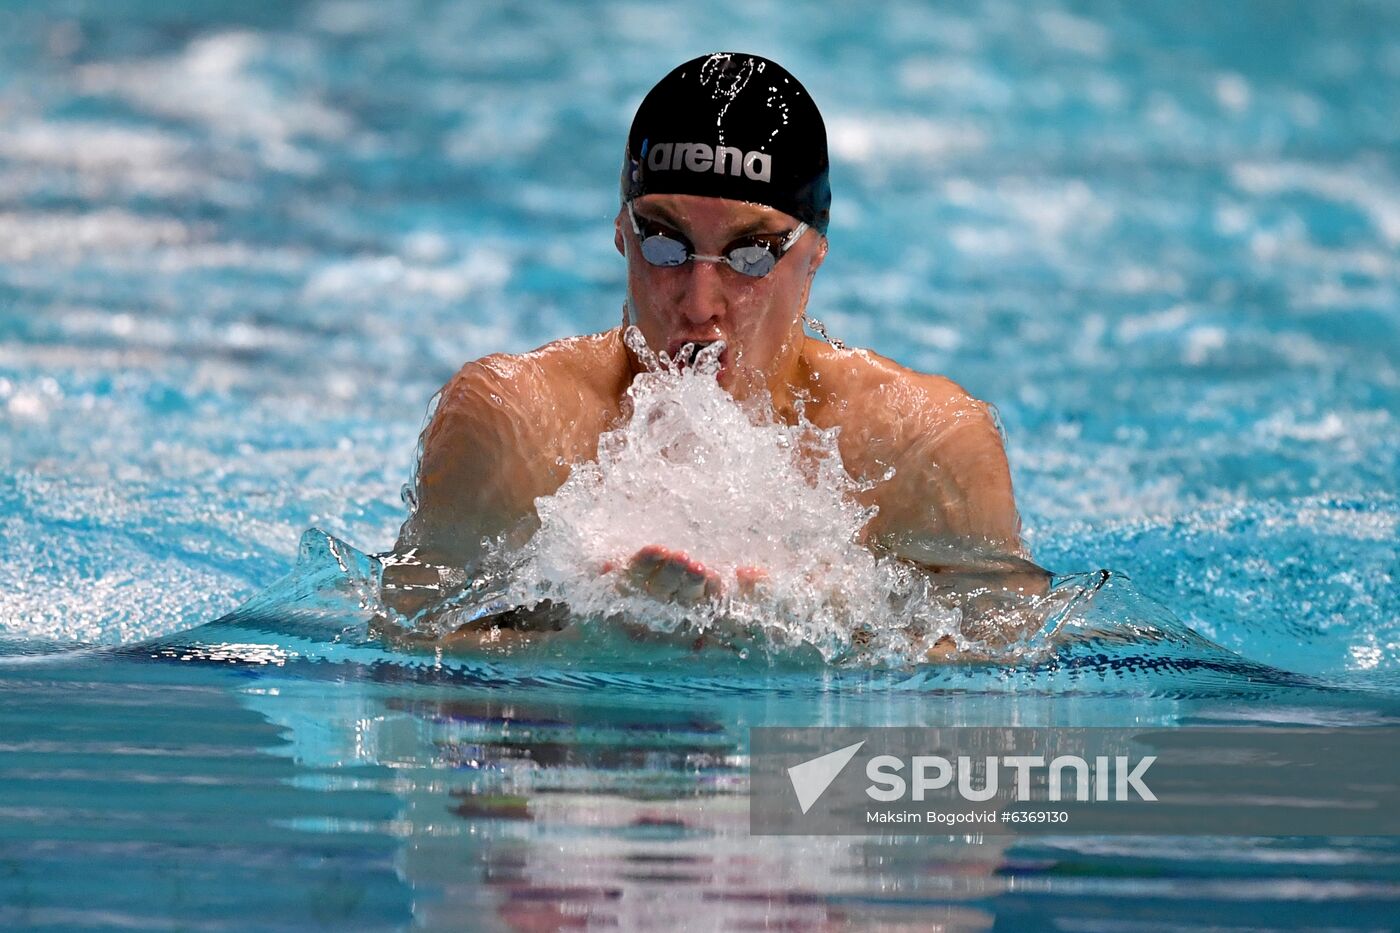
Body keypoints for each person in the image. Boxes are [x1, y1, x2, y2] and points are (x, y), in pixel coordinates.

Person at [382, 53, 1042, 653]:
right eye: (664, 242)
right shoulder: (513, 424)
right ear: (620, 233)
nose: (700, 302)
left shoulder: (921, 445)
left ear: (813, 256)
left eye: (751, 253)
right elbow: (405, 650)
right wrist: (588, 640)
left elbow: (1007, 676)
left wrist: (830, 635)